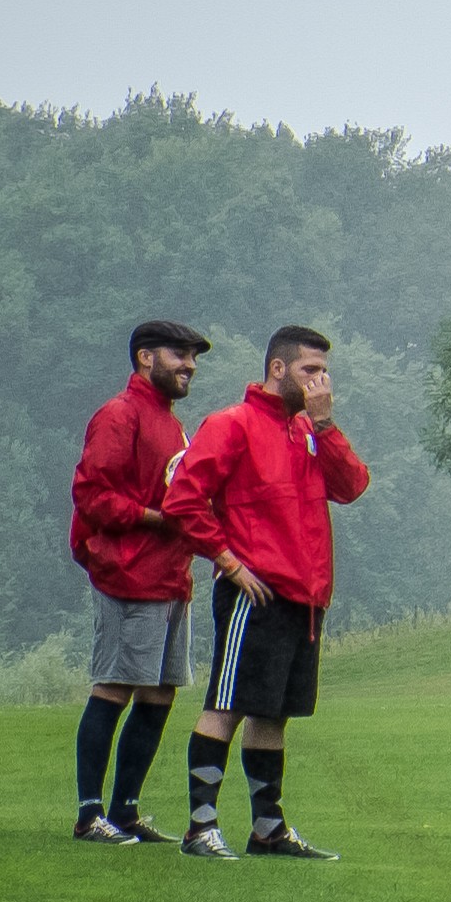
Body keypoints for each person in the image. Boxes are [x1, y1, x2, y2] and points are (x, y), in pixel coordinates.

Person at [158, 325, 370, 857]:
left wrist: (326, 424)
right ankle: (201, 827)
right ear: (278, 369)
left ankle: (267, 829)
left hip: (306, 595)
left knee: (273, 713)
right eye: (309, 370)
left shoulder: (308, 430)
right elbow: (183, 500)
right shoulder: (232, 424)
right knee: (226, 703)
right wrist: (228, 562)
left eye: (324, 372)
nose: (320, 382)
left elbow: (352, 486)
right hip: (254, 593)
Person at [66, 319, 210, 842]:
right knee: (115, 686)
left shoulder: (171, 423)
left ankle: (125, 811)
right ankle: (90, 815)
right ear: (146, 357)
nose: (189, 365)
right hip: (128, 571)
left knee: (160, 693)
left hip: (171, 575)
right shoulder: (119, 415)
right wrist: (156, 519)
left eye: (193, 356)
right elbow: (93, 496)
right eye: (179, 354)